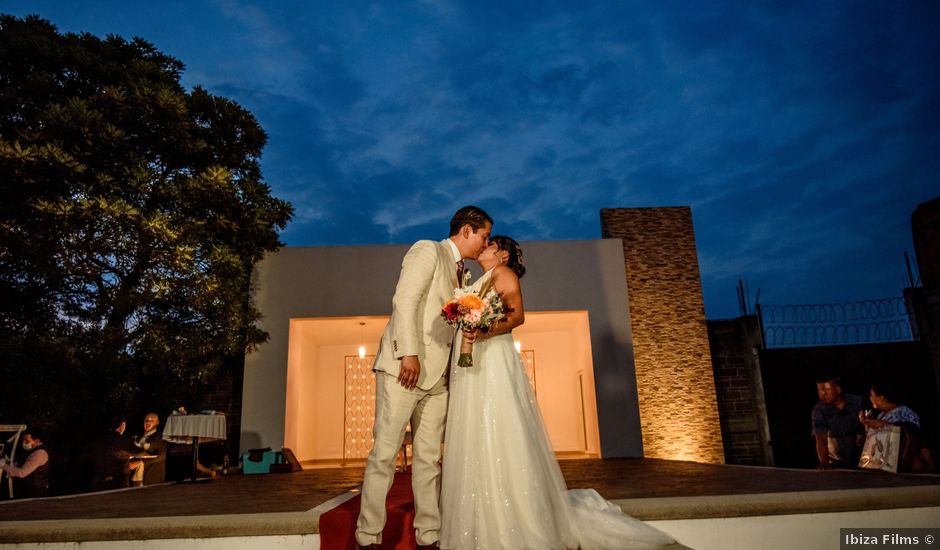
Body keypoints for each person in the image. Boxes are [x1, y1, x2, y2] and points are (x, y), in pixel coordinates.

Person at [440, 236, 674, 550]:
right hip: (476, 359)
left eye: (491, 245)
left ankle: (514, 511)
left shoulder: (503, 274)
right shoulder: (481, 279)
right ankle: (479, 508)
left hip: (493, 357)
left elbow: (516, 315)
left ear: (504, 254)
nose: (484, 247)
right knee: (476, 425)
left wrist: (482, 330)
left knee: (499, 420)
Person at [355, 205, 493, 550]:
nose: (485, 243)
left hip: (439, 379)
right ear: (466, 231)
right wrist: (409, 353)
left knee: (429, 458)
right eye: (484, 236)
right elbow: (405, 300)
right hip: (404, 370)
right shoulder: (426, 249)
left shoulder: (463, 277)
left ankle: (429, 534)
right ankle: (368, 536)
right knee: (385, 455)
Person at [860, 382, 934, 473]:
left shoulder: (904, 412)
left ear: (881, 398)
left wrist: (884, 425)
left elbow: (914, 433)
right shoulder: (881, 415)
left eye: (872, 395)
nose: (870, 398)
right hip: (885, 466)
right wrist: (867, 425)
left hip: (905, 465)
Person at [812, 375, 866, 469]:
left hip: (863, 460)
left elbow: (874, 424)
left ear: (838, 389)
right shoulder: (819, 410)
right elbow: (821, 439)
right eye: (819, 390)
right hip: (836, 463)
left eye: (826, 390)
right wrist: (825, 465)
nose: (822, 394)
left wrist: (866, 435)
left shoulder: (858, 402)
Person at [90, 417, 149, 491]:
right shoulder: (120, 439)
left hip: (100, 481)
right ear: (122, 425)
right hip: (118, 480)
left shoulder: (98, 441)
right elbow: (139, 452)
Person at [0, 428, 49, 498]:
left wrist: (3, 465)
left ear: (37, 440)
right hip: (26, 490)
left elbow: (22, 473)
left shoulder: (40, 453)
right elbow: (20, 464)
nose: (24, 443)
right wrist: (8, 463)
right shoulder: (30, 451)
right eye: (23, 440)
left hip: (35, 492)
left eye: (27, 440)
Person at [133, 412, 167, 485]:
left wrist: (142, 462)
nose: (148, 422)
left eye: (152, 421)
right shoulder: (137, 438)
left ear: (157, 423)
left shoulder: (160, 437)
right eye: (146, 420)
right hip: (134, 477)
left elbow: (163, 456)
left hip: (151, 475)